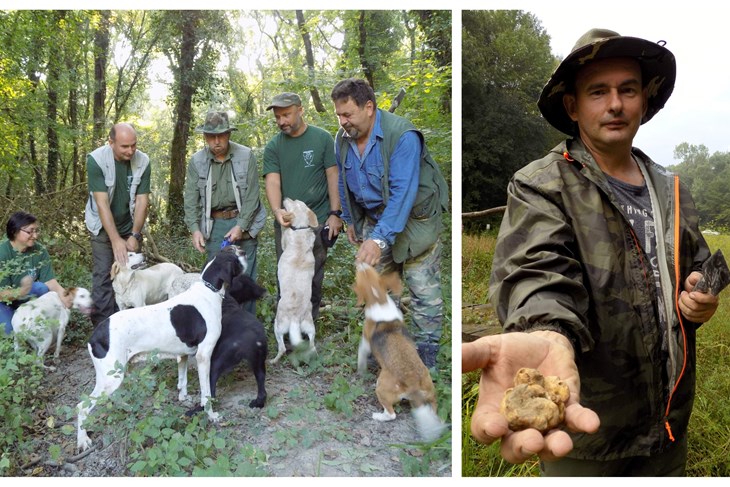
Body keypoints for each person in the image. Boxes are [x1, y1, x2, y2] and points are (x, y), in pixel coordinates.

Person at [464, 29, 720, 476]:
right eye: (598, 91)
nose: (615, 104)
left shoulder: (672, 188)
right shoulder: (542, 185)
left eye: (628, 89)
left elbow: (693, 265)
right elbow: (537, 271)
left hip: (668, 422)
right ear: (573, 106)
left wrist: (699, 296)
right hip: (587, 432)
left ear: (644, 99)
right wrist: (546, 333)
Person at [331, 78, 450, 369]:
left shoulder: (403, 136)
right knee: (379, 289)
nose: (343, 122)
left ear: (369, 107)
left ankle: (426, 362)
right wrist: (349, 218)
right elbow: (345, 183)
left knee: (424, 294)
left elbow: (402, 194)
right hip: (376, 220)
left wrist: (378, 239)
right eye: (338, 115)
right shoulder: (342, 140)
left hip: (415, 221)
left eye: (348, 114)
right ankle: (388, 352)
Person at [263, 92, 342, 321]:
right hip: (288, 223)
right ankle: (287, 330)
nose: (281, 121)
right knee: (287, 277)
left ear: (300, 109)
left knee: (313, 277)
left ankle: (309, 326)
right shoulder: (274, 146)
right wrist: (277, 210)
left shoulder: (322, 138)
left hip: (315, 222)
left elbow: (332, 176)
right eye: (278, 117)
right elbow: (273, 180)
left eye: (286, 115)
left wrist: (335, 213)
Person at [183, 110, 266, 313]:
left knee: (244, 280)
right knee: (216, 283)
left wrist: (240, 226)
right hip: (214, 226)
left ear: (229, 134)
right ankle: (221, 330)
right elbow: (191, 199)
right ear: (205, 137)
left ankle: (247, 330)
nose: (217, 141)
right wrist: (194, 229)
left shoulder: (245, 156)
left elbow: (252, 196)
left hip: (244, 221)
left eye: (221, 135)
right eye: (212, 136)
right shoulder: (197, 161)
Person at [85, 123, 150, 327]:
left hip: (128, 223)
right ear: (111, 142)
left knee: (131, 273)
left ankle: (130, 325)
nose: (131, 150)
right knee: (105, 275)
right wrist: (115, 240)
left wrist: (135, 235)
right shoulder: (96, 160)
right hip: (101, 226)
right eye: (124, 146)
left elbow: (142, 201)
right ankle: (104, 329)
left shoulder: (143, 160)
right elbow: (101, 202)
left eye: (134, 145)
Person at [1, 211, 67, 335]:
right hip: (4, 301)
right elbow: (1, 294)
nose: (35, 235)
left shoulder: (39, 250)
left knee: (41, 288)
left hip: (25, 296)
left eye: (37, 231)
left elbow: (50, 281)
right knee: (10, 332)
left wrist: (65, 296)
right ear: (15, 231)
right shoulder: (2, 253)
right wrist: (22, 291)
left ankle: (35, 324)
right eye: (30, 231)